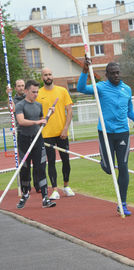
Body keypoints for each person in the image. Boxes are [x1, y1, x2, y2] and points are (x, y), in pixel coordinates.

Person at [77, 58, 134, 216]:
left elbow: (129, 111)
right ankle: (105, 162)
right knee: (108, 168)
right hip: (105, 132)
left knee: (124, 166)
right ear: (106, 75)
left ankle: (123, 203)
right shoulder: (100, 87)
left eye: (118, 72)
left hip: (122, 133)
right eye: (112, 73)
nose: (116, 75)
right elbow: (81, 88)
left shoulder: (127, 89)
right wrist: (85, 70)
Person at [15, 79, 56, 209]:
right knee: (25, 169)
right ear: (26, 91)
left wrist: (49, 116)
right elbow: (21, 121)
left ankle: (45, 198)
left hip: (38, 139)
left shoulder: (38, 105)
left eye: (37, 92)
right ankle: (25, 194)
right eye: (33, 92)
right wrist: (36, 122)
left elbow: (42, 122)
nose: (36, 94)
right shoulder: (20, 105)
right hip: (24, 140)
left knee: (41, 168)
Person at [36, 68, 74, 200]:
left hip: (62, 132)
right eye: (45, 75)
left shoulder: (62, 91)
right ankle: (55, 189)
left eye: (50, 74)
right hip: (46, 134)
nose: (48, 77)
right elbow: (36, 113)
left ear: (53, 76)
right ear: (42, 78)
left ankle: (66, 185)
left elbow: (69, 111)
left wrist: (65, 128)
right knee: (51, 162)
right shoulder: (38, 93)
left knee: (66, 160)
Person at [6, 79, 40, 192]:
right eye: (18, 86)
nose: (21, 87)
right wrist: (9, 96)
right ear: (15, 88)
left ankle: (38, 184)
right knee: (24, 163)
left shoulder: (31, 97)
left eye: (22, 85)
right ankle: (26, 186)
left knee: (37, 162)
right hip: (22, 133)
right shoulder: (14, 100)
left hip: (34, 132)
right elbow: (11, 109)